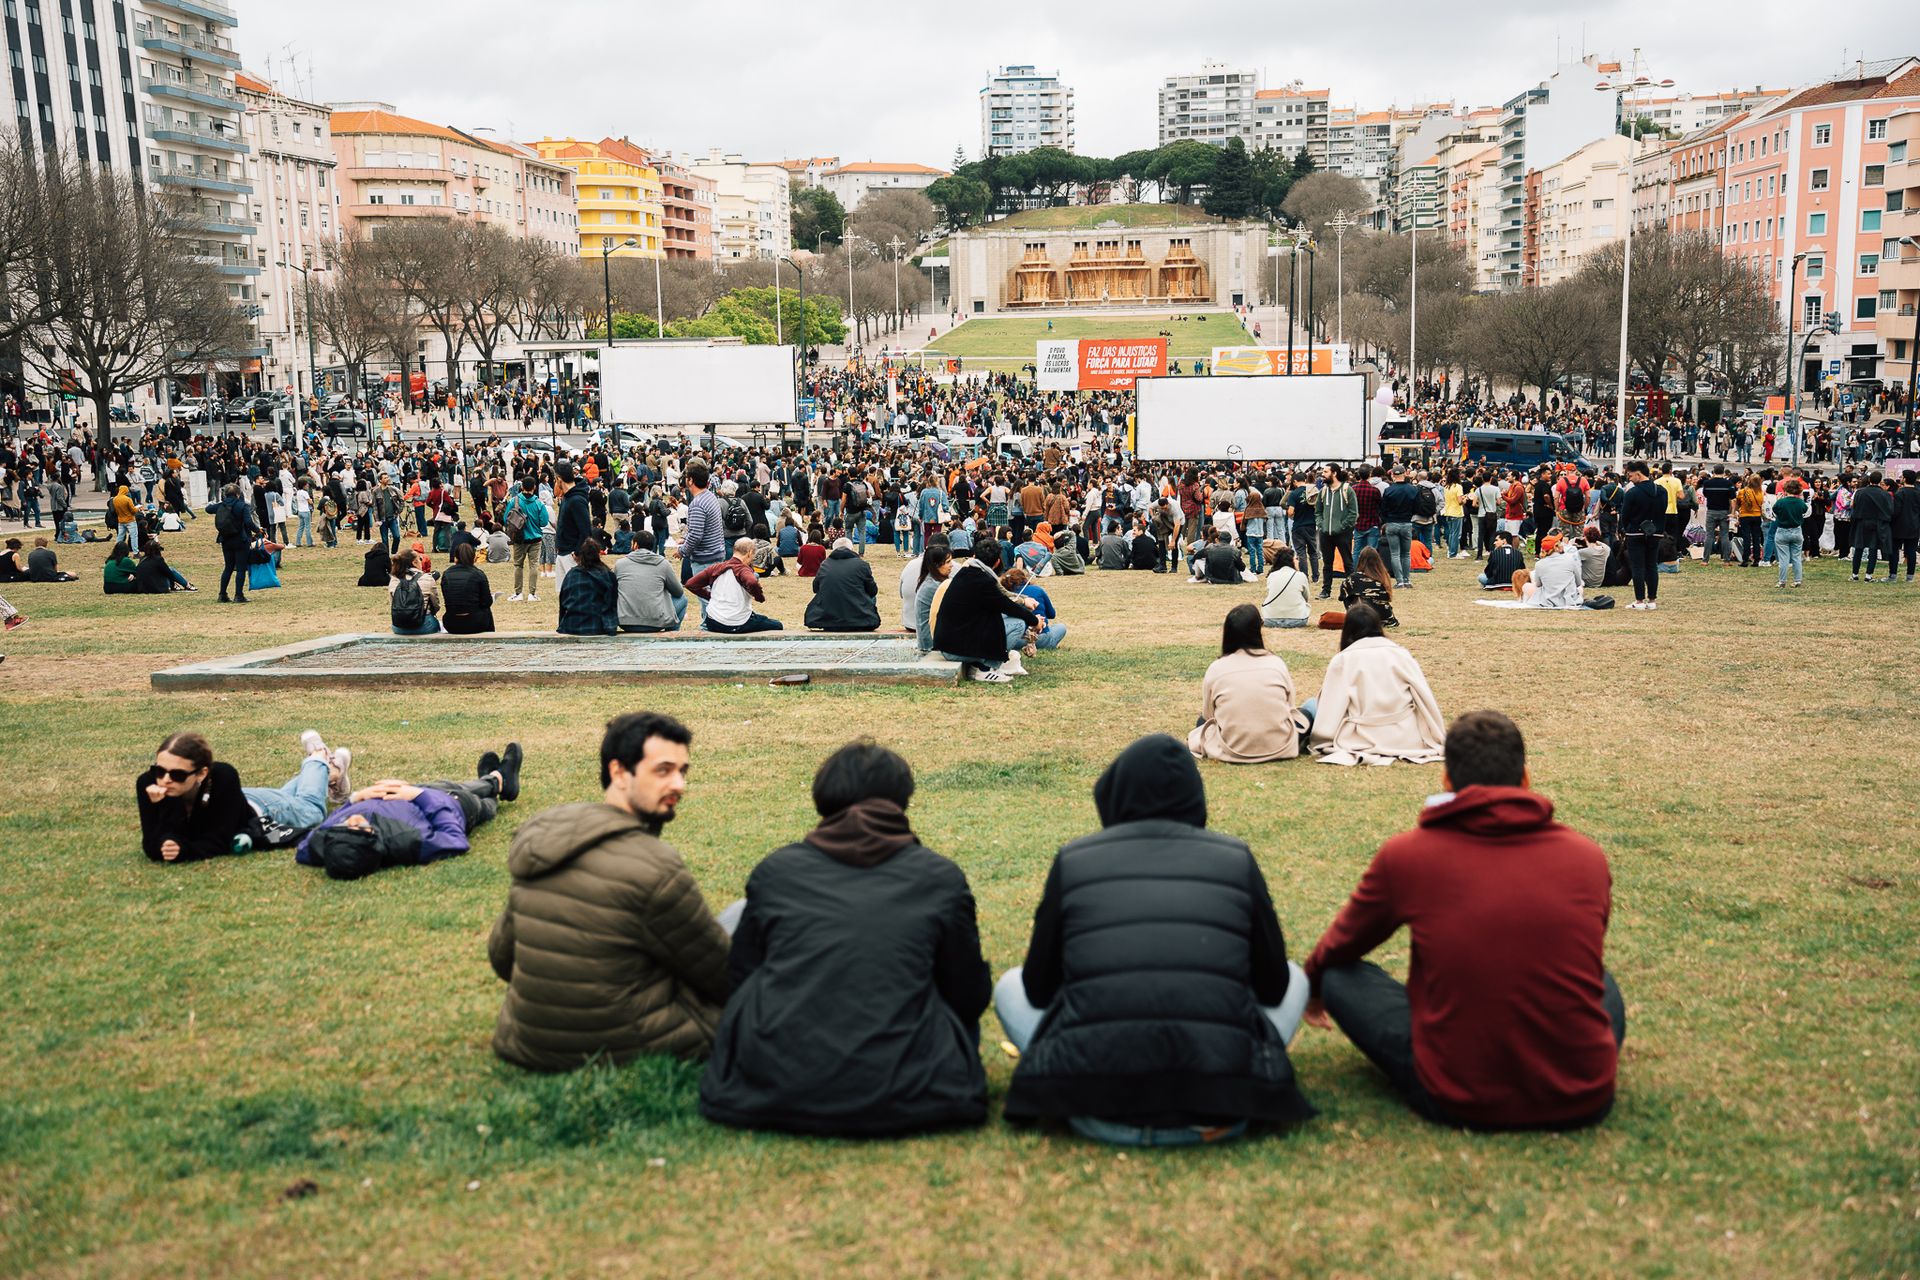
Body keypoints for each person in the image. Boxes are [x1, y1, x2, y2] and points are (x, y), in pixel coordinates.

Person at [1302, 710, 1625, 1131]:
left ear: (1447, 783)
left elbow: (1341, 946)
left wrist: (1312, 983)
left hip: (1458, 1096)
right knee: (1601, 980)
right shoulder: (1586, 857)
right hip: (1582, 1095)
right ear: (1525, 778)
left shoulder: (1410, 855)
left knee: (1338, 975)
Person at [996, 734, 1315, 1146]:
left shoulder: (1075, 859)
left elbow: (1036, 990)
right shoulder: (1235, 858)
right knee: (1297, 976)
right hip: (1223, 1104)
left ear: (1114, 793)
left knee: (1009, 986)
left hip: (1093, 1106)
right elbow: (1274, 986)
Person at [698, 740, 991, 1136]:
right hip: (918, 1092)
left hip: (772, 1088)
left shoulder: (777, 871)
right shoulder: (939, 877)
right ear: (902, 799)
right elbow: (968, 995)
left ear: (824, 799)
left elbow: (741, 980)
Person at [489, 713, 732, 1071]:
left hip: (526, 1040)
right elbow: (723, 977)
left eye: (683, 771)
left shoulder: (544, 837)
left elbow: (502, 957)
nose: (679, 783)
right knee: (742, 918)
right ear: (619, 772)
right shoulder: (656, 867)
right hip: (621, 1045)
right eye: (663, 771)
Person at [298, 744, 522, 881]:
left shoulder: (322, 843)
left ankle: (495, 779)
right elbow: (455, 841)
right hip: (449, 805)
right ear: (374, 842)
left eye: (346, 825)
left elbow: (304, 848)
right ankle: (497, 782)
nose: (355, 820)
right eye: (361, 828)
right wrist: (417, 796)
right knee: (474, 800)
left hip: (409, 792)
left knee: (447, 784)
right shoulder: (407, 841)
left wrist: (357, 798)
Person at [137, 729, 350, 863]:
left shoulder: (223, 775)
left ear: (202, 773)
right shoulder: (148, 783)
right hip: (233, 800)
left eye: (177, 775)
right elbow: (153, 845)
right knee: (292, 798)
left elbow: (218, 841)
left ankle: (319, 757)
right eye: (159, 770)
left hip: (262, 809)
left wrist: (185, 849)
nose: (165, 780)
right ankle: (330, 771)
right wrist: (167, 807)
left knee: (310, 808)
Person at [1308, 604, 1444, 766]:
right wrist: (1437, 732)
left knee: (1311, 704)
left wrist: (1321, 738)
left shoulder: (1344, 660)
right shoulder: (1401, 654)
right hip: (1405, 737)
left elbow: (1332, 705)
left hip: (1360, 737)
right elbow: (1424, 696)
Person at [1188, 604, 1314, 764]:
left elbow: (1208, 715)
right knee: (1309, 710)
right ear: (1258, 631)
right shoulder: (1276, 663)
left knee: (1201, 722)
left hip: (1232, 747)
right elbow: (1289, 708)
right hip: (1279, 745)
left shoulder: (1216, 668)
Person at [929, 538, 1038, 684]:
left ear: (975, 556)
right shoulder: (982, 581)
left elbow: (1003, 601)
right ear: (998, 562)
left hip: (949, 643)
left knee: (1005, 620)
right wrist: (1034, 621)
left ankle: (980, 665)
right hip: (954, 649)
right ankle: (986, 669)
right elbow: (1007, 605)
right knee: (1018, 624)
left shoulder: (967, 573)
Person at [687, 537, 783, 634]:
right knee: (777, 625)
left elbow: (690, 584)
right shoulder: (743, 569)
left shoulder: (716, 567)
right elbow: (752, 582)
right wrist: (759, 597)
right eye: (753, 555)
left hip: (713, 621)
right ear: (750, 552)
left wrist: (710, 596)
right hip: (737, 623)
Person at [614, 529, 687, 632]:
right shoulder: (663, 564)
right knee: (683, 600)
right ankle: (671, 635)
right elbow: (679, 592)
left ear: (635, 545)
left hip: (625, 621)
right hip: (656, 622)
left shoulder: (620, 564)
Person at [804, 536, 882, 631]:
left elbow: (815, 589)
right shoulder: (861, 565)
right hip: (860, 617)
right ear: (852, 549)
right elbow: (873, 591)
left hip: (828, 618)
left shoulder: (825, 565)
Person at [1617, 460, 1666, 610]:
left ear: (1638, 474)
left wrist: (1623, 528)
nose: (1629, 479)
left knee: (1637, 566)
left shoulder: (1632, 493)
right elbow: (1664, 511)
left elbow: (1625, 515)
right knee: (1652, 565)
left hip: (1635, 532)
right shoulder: (1662, 491)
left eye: (1630, 476)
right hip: (1655, 532)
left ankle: (1639, 600)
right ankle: (1652, 600)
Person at [209, 481, 259, 604]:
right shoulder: (242, 506)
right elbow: (248, 522)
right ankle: (238, 595)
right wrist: (258, 531)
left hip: (225, 539)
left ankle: (222, 594)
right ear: (238, 494)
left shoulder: (222, 505)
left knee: (228, 567)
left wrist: (220, 503)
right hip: (241, 539)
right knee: (241, 568)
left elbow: (208, 509)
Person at [503, 475, 549, 602]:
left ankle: (518, 593)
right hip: (535, 539)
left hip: (519, 538)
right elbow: (544, 521)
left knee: (518, 565)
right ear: (534, 487)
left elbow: (506, 518)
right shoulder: (539, 503)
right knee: (534, 565)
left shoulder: (514, 501)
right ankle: (532, 594)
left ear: (522, 487)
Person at [439, 541, 496, 634]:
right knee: (487, 610)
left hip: (451, 622)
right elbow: (487, 602)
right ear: (473, 558)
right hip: (475, 622)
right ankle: (490, 640)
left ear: (456, 558)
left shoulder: (446, 574)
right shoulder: (478, 574)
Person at [388, 547, 442, 635]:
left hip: (399, 626)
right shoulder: (427, 578)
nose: (421, 561)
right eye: (420, 559)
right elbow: (436, 605)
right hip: (423, 625)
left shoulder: (394, 579)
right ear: (414, 562)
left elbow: (393, 603)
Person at [1338, 545, 1397, 626]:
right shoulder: (1383, 577)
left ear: (1360, 560)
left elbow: (1342, 596)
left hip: (1360, 617)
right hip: (1385, 617)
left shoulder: (1352, 578)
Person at [1518, 537, 1584, 608]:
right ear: (1556, 547)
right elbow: (1578, 583)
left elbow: (1538, 584)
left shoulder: (1539, 564)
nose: (1562, 544)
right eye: (1560, 543)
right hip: (1569, 600)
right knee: (1580, 588)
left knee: (1526, 586)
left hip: (1548, 599)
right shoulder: (1571, 559)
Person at [912, 545, 953, 654]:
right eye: (948, 562)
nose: (951, 565)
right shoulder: (933, 586)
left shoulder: (931, 580)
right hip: (931, 644)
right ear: (936, 564)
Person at [1259, 544, 1311, 627]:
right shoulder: (1300, 576)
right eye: (1296, 559)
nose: (1298, 561)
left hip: (1271, 619)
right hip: (1297, 619)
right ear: (1291, 561)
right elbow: (1306, 597)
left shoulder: (1272, 576)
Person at [1773, 478, 1810, 588]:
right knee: (1796, 557)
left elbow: (1775, 510)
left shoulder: (1781, 502)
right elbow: (1805, 510)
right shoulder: (1800, 503)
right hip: (1797, 530)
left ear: (1785, 489)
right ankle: (1797, 580)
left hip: (1782, 531)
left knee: (1783, 558)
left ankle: (1782, 581)